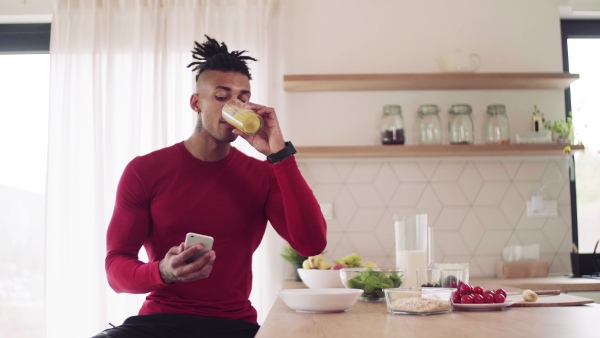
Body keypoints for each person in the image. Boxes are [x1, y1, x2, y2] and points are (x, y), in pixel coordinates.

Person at [92, 35, 327, 338]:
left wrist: (279, 156)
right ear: (196, 104)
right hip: (159, 324)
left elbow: (312, 244)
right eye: (221, 96)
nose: (235, 105)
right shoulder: (145, 171)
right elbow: (116, 269)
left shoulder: (263, 175)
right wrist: (163, 271)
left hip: (234, 326)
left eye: (243, 98)